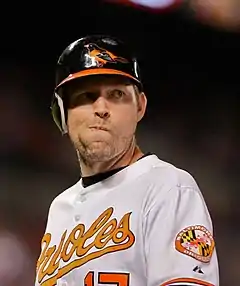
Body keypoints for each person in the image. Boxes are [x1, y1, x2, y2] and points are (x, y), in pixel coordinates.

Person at [35, 35, 219, 286]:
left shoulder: (167, 187)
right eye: (86, 96)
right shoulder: (59, 208)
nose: (101, 108)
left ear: (140, 107)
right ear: (62, 114)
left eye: (117, 94)